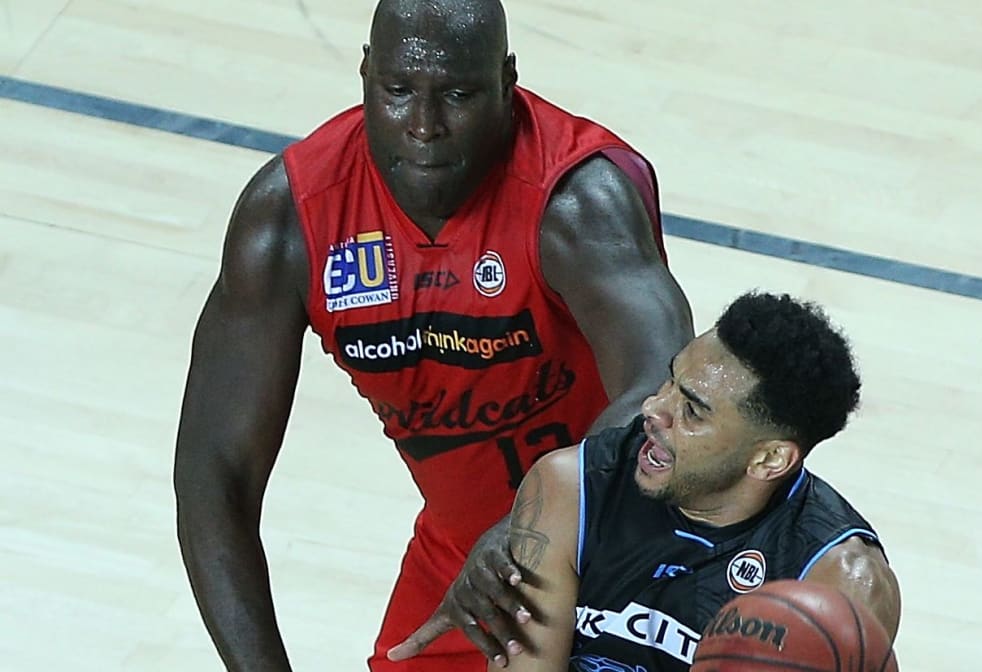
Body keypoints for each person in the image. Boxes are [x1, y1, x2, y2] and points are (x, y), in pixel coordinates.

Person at [172, 0, 694, 669]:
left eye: (457, 93)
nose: (423, 126)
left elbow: (667, 389)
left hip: (632, 544)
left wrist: (532, 530)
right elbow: (215, 476)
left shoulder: (575, 202)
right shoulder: (289, 223)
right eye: (396, 91)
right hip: (468, 555)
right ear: (364, 74)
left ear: (507, 83)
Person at [492, 292, 902, 672]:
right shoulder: (571, 488)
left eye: (692, 411)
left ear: (769, 458)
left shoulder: (842, 582)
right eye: (671, 381)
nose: (653, 409)